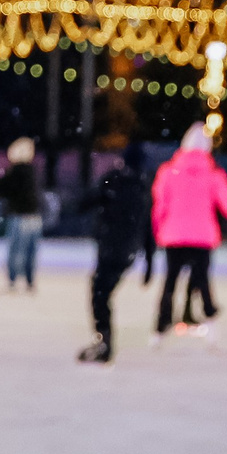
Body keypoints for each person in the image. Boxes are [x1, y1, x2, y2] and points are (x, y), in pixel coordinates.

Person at [149, 124, 227, 338]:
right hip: (202, 238)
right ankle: (209, 319)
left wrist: (157, 230)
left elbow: (159, 205)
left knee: (170, 281)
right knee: (203, 280)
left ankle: (161, 325)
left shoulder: (168, 172)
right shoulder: (212, 175)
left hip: (174, 236)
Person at [75, 145, 154, 363]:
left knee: (100, 294)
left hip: (110, 247)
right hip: (127, 251)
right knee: (102, 293)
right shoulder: (142, 187)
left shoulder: (114, 180)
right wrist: (149, 261)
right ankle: (104, 340)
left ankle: (104, 342)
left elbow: (85, 203)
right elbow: (148, 227)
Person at [0, 136, 44, 293]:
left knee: (16, 251)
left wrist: (4, 175)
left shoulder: (15, 172)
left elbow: (0, 190)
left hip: (20, 216)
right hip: (34, 217)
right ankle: (29, 282)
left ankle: (13, 281)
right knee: (30, 252)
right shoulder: (33, 172)